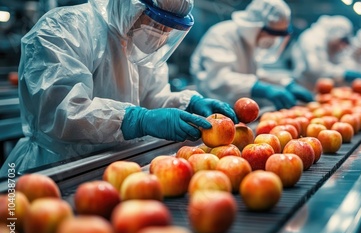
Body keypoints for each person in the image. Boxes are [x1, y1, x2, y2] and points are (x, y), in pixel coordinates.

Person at [0, 0, 237, 175]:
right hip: (55, 169)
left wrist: (188, 103)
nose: (161, 34)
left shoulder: (141, 48)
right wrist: (137, 120)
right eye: (156, 23)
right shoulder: (64, 29)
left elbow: (152, 97)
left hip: (121, 164)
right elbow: (58, 111)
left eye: (168, 28)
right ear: (131, 5)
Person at [190, 0, 314, 111]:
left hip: (241, 109)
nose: (274, 40)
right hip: (212, 109)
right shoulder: (221, 35)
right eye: (271, 33)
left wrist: (286, 84)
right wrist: (263, 89)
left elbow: (254, 75)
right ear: (254, 27)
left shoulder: (251, 42)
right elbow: (218, 79)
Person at [291, 15, 361, 91]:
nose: (341, 46)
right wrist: (344, 74)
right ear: (335, 33)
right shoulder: (312, 39)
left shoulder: (330, 43)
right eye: (341, 40)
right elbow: (316, 69)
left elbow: (341, 61)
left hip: (321, 89)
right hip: (304, 86)